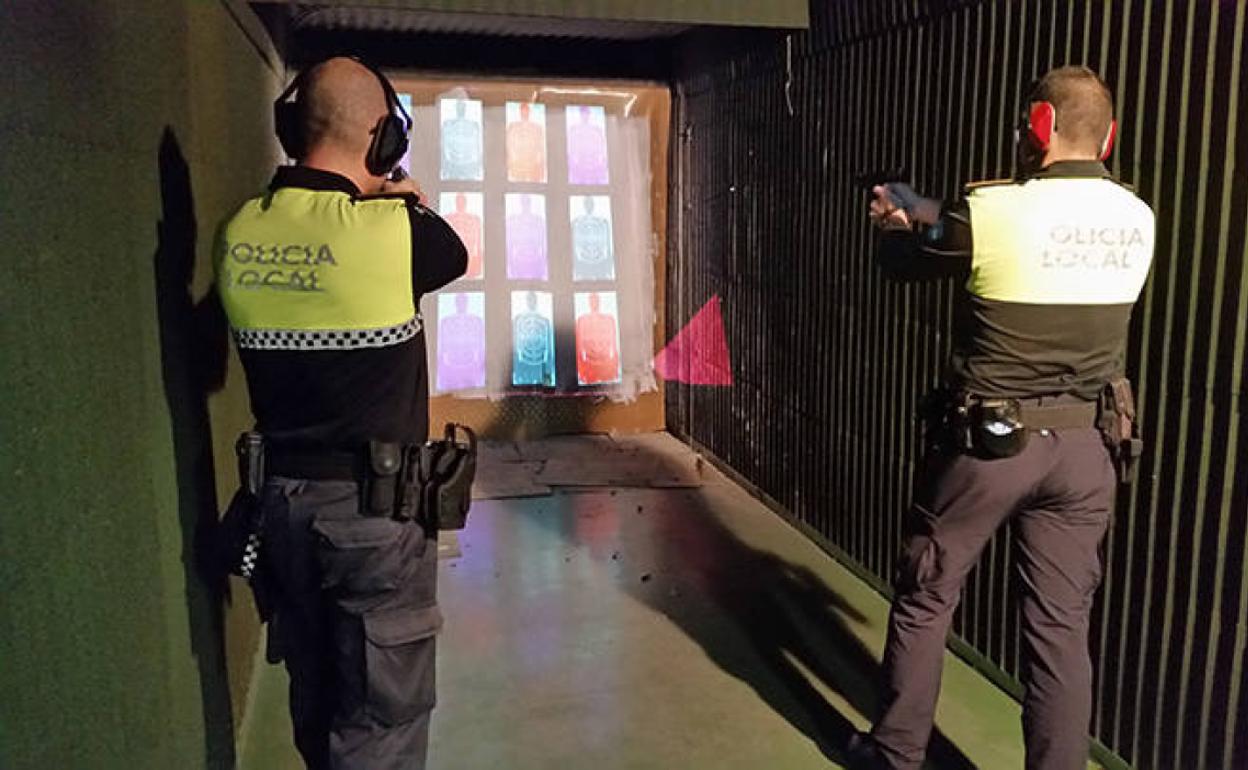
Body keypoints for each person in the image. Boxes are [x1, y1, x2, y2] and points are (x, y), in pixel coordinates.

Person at [846, 66, 1155, 770]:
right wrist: (923, 207)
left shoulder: (993, 212)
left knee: (928, 594)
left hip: (988, 449)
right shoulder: (1137, 216)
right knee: (1059, 627)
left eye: (1026, 126)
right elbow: (977, 224)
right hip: (1087, 449)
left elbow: (917, 257)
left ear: (1040, 128)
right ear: (1105, 136)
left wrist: (892, 226)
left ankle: (894, 753)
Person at [214, 57, 467, 769]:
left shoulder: (238, 233)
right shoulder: (397, 232)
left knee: (316, 697)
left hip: (280, 510)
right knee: (380, 722)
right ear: (384, 139)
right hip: (373, 521)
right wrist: (403, 195)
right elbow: (453, 253)